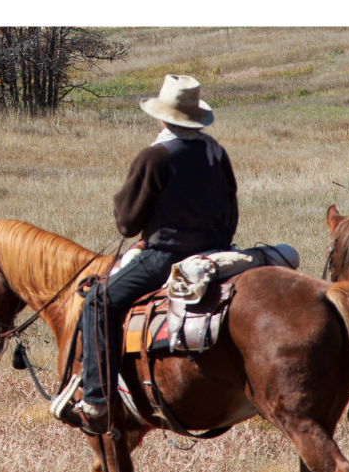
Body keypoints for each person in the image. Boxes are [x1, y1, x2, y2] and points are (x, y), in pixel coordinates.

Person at [69, 75, 239, 425]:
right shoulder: (215, 151)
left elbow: (127, 223)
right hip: (216, 254)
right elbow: (231, 209)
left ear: (163, 116)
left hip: (165, 259)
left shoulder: (155, 155)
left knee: (97, 302)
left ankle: (96, 397)